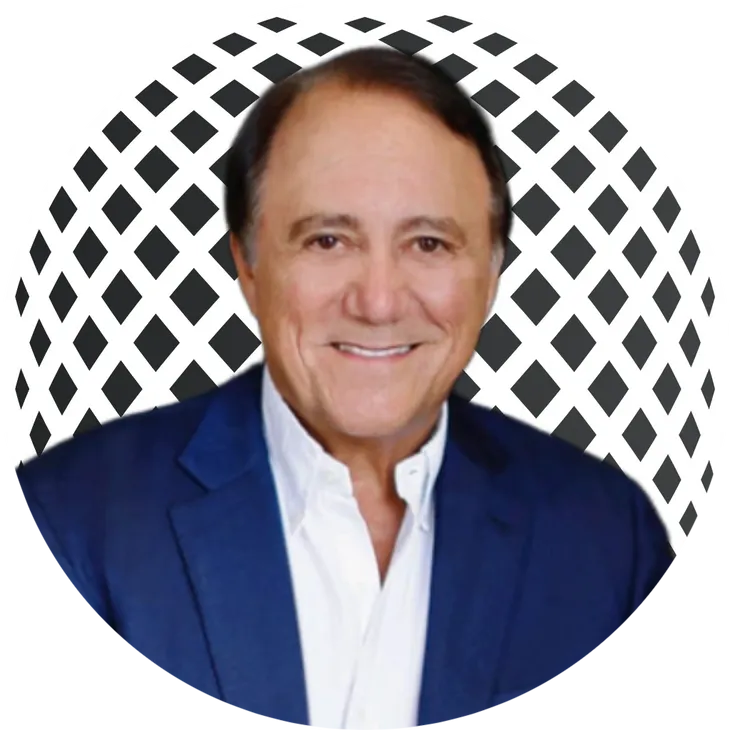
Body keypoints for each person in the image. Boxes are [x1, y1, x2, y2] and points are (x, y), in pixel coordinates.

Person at [14, 46, 674, 728]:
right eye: (327, 241)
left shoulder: (610, 540)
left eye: (429, 244)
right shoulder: (69, 527)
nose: (379, 302)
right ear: (248, 264)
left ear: (492, 271)